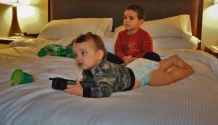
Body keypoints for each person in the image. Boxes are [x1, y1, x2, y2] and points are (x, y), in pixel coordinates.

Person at [64, 32, 194, 98]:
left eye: (83, 53)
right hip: (135, 66)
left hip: (141, 76)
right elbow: (91, 79)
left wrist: (83, 91)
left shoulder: (105, 70)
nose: (78, 58)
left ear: (99, 55)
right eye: (75, 55)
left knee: (167, 78)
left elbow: (105, 91)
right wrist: (83, 83)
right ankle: (171, 60)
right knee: (154, 65)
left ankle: (187, 70)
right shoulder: (88, 67)